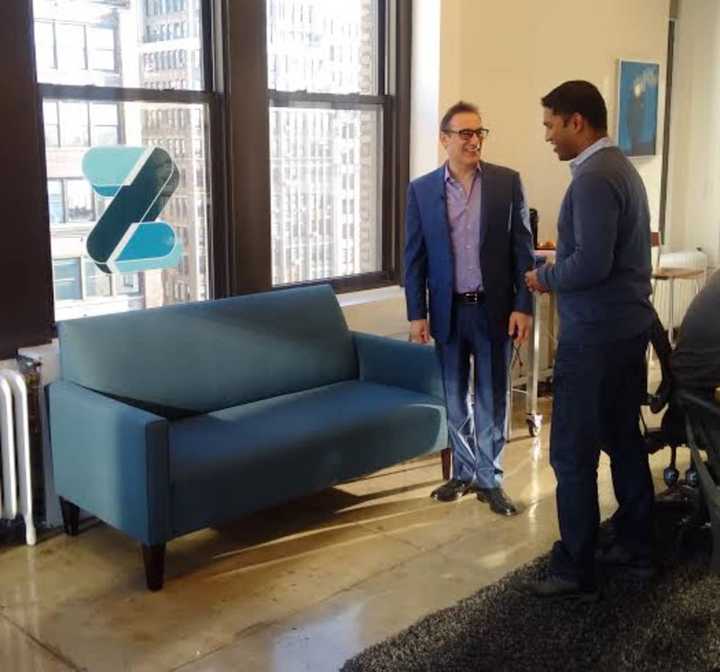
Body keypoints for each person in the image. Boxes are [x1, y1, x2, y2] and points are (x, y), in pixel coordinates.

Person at [524, 81, 656, 600]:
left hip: (595, 339)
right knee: (623, 440)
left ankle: (575, 569)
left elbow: (591, 265)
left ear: (577, 122)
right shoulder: (621, 167)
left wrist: (545, 277)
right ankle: (636, 546)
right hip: (627, 331)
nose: (549, 137)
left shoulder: (594, 179)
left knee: (572, 456)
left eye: (551, 126)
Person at [404, 100, 534, 516]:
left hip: (493, 308)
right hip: (447, 311)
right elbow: (415, 257)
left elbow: (523, 251)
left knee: (492, 397)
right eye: (465, 134)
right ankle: (461, 473)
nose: (474, 140)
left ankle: (489, 478)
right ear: (444, 139)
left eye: (479, 133)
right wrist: (416, 313)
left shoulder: (506, 183)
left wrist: (523, 304)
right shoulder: (422, 190)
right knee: (455, 397)